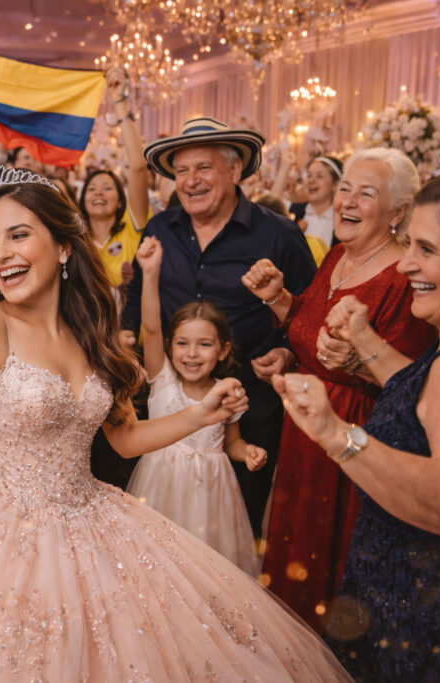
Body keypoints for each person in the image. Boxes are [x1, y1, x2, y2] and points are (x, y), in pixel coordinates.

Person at [0, 172, 350, 681]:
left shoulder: (91, 331)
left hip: (97, 523)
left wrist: (200, 415)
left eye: (18, 235)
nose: (1, 255)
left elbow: (124, 438)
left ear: (63, 246)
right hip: (3, 535)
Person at [272, 163, 440, 679]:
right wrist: (368, 344)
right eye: (409, 244)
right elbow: (424, 396)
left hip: (424, 622)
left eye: (427, 250)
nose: (406, 264)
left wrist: (336, 435)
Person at [241, 148, 436, 632]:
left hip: (357, 437)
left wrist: (359, 365)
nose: (347, 199)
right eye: (345, 187)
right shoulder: (336, 258)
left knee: (341, 559)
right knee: (298, 552)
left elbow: (412, 382)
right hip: (306, 432)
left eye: (365, 193)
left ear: (397, 213)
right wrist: (280, 302)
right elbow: (310, 330)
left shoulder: (404, 280)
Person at [125, 116, 317, 536]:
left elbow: (312, 313)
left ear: (235, 170)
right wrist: (125, 336)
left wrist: (287, 352)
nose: (190, 181)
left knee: (236, 529)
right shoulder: (161, 229)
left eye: (203, 168)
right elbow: (141, 295)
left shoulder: (279, 236)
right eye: (181, 171)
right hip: (169, 406)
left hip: (249, 409)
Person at [127, 236, 266, 575]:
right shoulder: (162, 379)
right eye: (183, 344)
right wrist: (150, 274)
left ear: (222, 350)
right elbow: (150, 326)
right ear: (170, 345)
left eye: (204, 344)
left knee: (206, 569)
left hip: (211, 497)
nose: (191, 354)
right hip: (161, 485)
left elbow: (230, 441)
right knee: (159, 565)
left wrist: (246, 451)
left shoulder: (225, 392)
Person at [77, 67, 150, 290]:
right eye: (92, 189)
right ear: (82, 201)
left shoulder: (132, 224)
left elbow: (138, 167)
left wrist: (118, 102)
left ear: (120, 200)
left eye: (107, 188)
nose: (98, 192)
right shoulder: (76, 240)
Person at [290, 156, 342, 247]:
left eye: (319, 176)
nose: (311, 181)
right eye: (309, 175)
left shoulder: (342, 219)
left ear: (335, 184)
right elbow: (270, 203)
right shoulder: (293, 212)